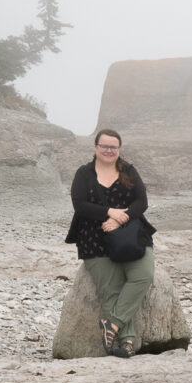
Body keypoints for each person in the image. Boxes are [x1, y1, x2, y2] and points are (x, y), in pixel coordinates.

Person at [65, 128, 156, 358]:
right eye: (104, 146)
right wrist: (109, 212)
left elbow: (141, 201)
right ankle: (127, 342)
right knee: (111, 289)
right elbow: (80, 204)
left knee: (143, 275)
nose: (108, 150)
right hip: (93, 237)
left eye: (113, 147)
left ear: (119, 149)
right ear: (96, 147)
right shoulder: (84, 173)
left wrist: (119, 219)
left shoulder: (128, 170)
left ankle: (112, 324)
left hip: (131, 233)